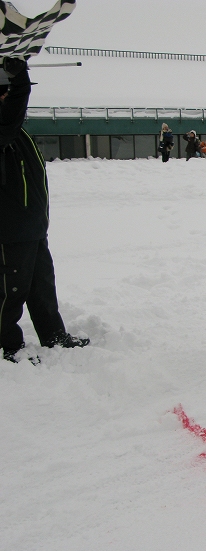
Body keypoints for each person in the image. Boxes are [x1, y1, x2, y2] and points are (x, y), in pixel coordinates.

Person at [0, 56, 89, 363]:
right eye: (6, 94)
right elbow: (9, 117)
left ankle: (54, 335)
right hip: (9, 230)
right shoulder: (3, 130)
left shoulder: (16, 132)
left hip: (33, 227)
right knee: (9, 292)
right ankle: (5, 347)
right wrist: (20, 82)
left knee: (42, 288)